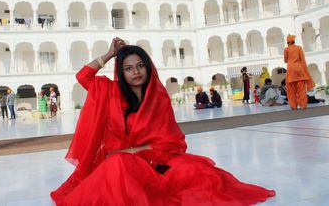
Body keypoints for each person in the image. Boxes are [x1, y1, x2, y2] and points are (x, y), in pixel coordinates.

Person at [50, 38, 275, 205]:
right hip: (121, 164)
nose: (136, 72)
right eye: (128, 68)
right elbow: (83, 77)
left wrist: (131, 151)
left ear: (148, 66)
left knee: (197, 173)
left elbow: (169, 142)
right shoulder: (110, 92)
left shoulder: (157, 96)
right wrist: (110, 54)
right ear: (121, 72)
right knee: (118, 168)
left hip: (153, 157)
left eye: (140, 65)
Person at [284, 35, 315, 110]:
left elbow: (285, 60)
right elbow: (302, 60)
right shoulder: (299, 48)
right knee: (301, 90)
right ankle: (303, 106)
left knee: (291, 90)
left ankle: (293, 106)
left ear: (288, 42)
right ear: (294, 41)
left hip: (291, 70)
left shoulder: (286, 49)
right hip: (299, 69)